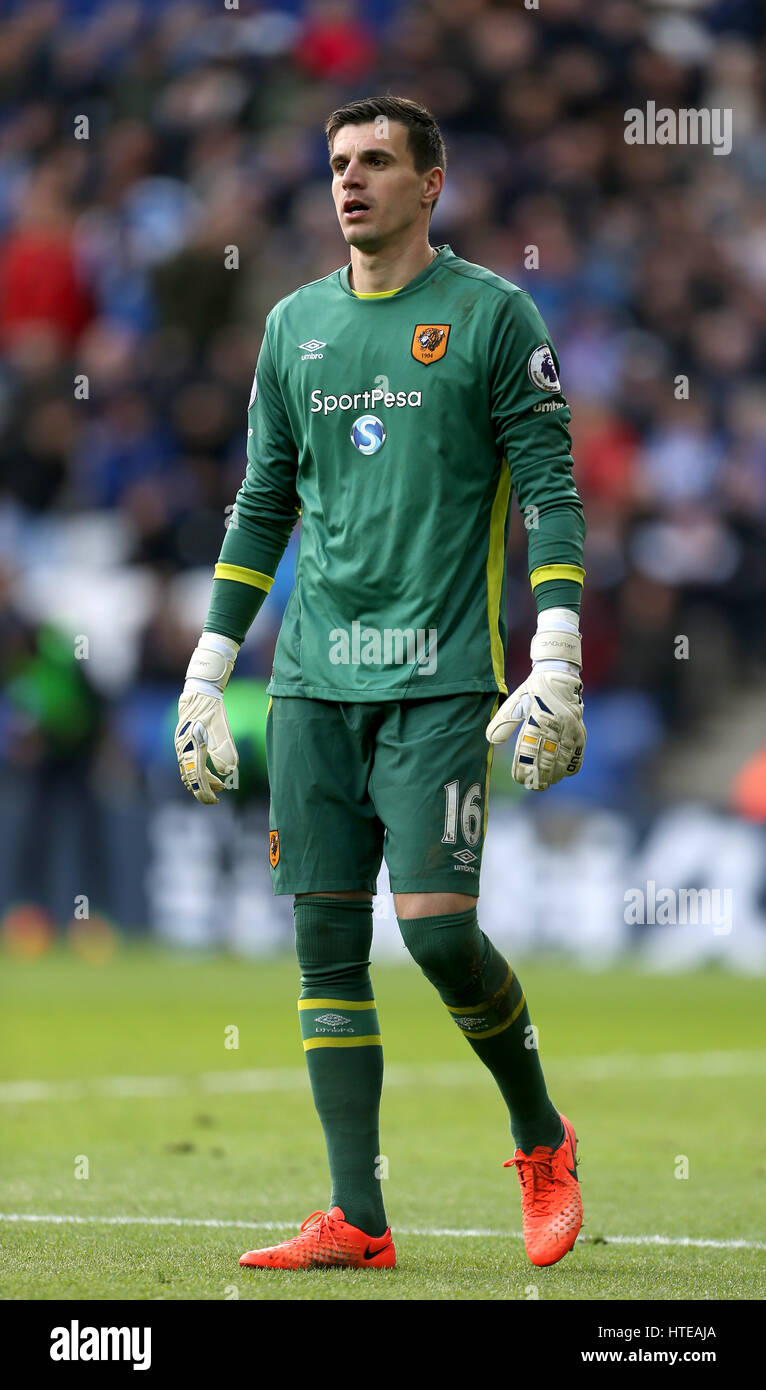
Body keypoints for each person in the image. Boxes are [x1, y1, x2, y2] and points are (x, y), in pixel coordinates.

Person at [174, 96, 586, 1271]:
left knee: (441, 935)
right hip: (309, 683)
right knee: (324, 947)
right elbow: (262, 505)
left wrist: (552, 651)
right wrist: (210, 671)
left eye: (375, 162)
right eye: (338, 162)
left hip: (440, 677)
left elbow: (552, 490)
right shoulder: (295, 326)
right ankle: (358, 1216)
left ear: (431, 182)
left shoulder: (493, 317)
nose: (350, 181)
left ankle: (541, 1134)